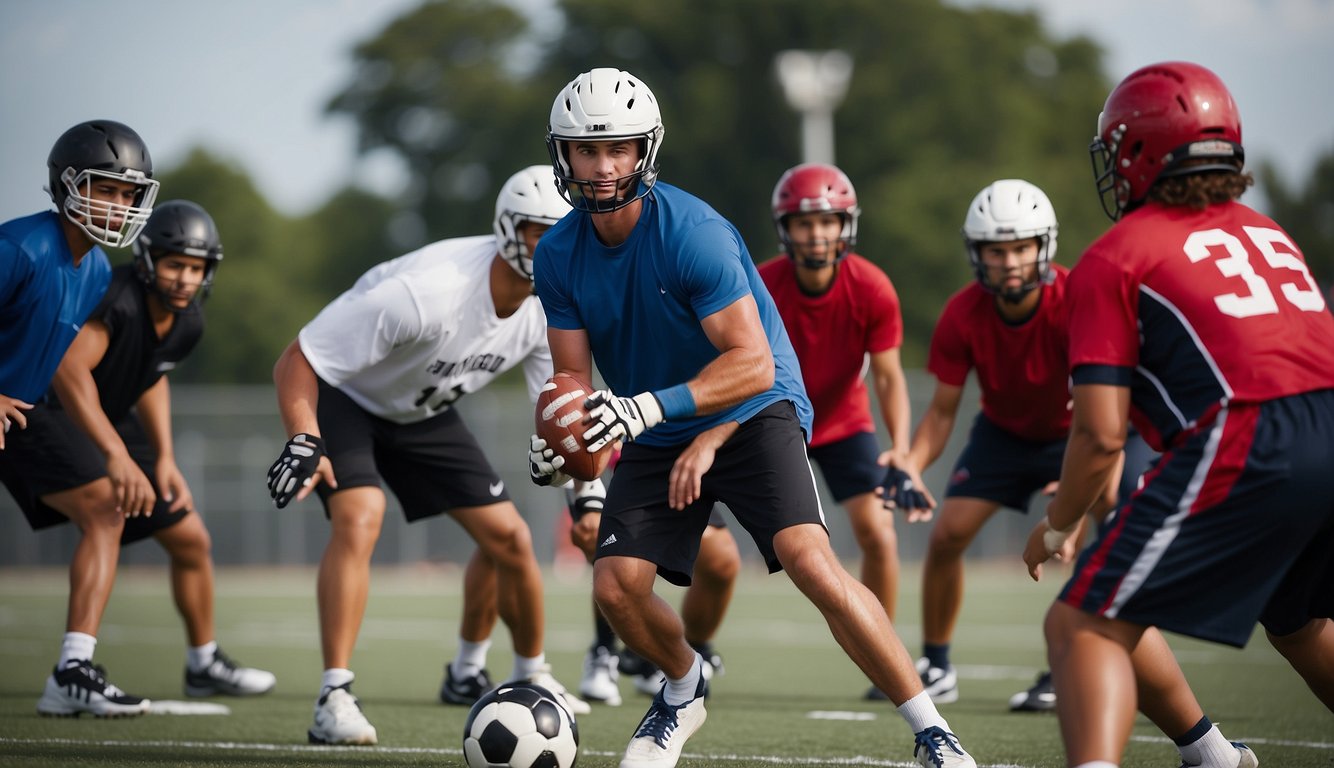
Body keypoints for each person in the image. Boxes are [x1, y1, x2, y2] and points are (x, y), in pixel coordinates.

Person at [528, 67, 976, 768]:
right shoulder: (556, 255)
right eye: (588, 150)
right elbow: (571, 384)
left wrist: (651, 411)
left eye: (619, 147)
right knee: (616, 587)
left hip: (752, 403)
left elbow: (753, 364)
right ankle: (683, 686)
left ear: (645, 150)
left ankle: (931, 729)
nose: (604, 166)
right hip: (652, 419)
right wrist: (561, 447)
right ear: (563, 155)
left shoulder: (693, 232)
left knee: (809, 560)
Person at [1023, 60, 1333, 768]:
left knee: (1084, 625)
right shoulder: (1268, 231)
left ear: (1137, 154)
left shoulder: (1117, 255)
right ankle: (1212, 757)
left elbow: (1101, 432)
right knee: (1297, 621)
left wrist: (1060, 523)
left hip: (1258, 434)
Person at [266, 165, 591, 746]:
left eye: (565, 233)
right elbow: (299, 357)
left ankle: (530, 674)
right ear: (508, 228)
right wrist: (303, 437)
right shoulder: (425, 293)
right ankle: (333, 696)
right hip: (350, 397)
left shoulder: (552, 308)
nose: (554, 247)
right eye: (542, 231)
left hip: (422, 412)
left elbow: (561, 402)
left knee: (510, 538)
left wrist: (584, 493)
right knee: (361, 516)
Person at [7, 199, 277, 708]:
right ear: (149, 259)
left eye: (196, 268)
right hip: (46, 406)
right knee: (106, 511)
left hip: (107, 413)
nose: (184, 278)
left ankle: (203, 663)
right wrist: (115, 454)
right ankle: (72, 671)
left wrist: (165, 456)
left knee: (191, 538)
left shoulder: (187, 319)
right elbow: (68, 372)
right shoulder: (118, 298)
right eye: (175, 264)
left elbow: (152, 378)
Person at [885, 178, 1083, 707]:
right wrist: (911, 463)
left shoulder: (1078, 302)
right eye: (998, 250)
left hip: (1076, 432)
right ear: (979, 254)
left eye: (1021, 247)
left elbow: (1103, 404)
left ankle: (1072, 669)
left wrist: (1077, 494)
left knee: (1088, 540)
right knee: (947, 534)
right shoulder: (962, 313)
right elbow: (943, 411)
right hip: (1002, 435)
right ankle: (937, 663)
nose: (1011, 261)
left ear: (1044, 247)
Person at [1, 119, 159, 717]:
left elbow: (69, 372)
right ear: (67, 186)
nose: (118, 206)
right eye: (105, 189)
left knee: (104, 509)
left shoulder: (94, 270)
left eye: (127, 193)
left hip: (24, 412)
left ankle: (73, 671)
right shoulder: (19, 248)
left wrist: (117, 452)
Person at [757, 163, 911, 701]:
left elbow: (889, 377)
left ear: (846, 225)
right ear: (785, 229)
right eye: (804, 223)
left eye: (828, 221)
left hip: (845, 421)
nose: (817, 234)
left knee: (878, 533)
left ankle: (882, 653)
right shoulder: (761, 282)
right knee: (706, 530)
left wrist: (902, 450)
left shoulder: (872, 288)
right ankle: (696, 648)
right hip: (774, 418)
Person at [569, 445, 739, 706]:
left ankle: (676, 655)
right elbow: (564, 417)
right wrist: (586, 495)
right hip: (597, 457)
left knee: (721, 560)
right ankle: (603, 652)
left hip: (660, 444)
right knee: (602, 539)